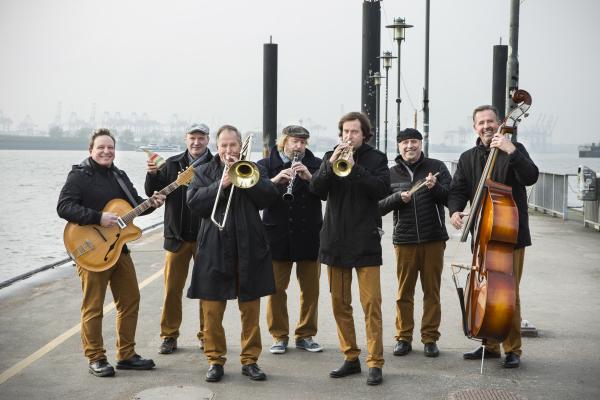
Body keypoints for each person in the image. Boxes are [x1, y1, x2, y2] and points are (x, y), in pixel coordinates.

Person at [57, 128, 165, 377]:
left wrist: (153, 202)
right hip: (92, 251)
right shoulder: (79, 176)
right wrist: (98, 217)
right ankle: (96, 357)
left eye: (110, 148)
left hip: (118, 249)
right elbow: (64, 207)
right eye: (101, 147)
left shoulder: (119, 175)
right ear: (91, 150)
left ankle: (126, 355)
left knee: (130, 300)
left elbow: (135, 206)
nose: (106, 151)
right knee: (93, 306)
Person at [448, 105, 539, 369]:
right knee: (484, 290)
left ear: (500, 123)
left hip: (510, 234)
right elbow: (458, 188)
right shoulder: (467, 158)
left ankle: (513, 349)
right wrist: (455, 210)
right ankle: (489, 343)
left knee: (508, 293)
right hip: (484, 233)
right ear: (474, 127)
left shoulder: (515, 149)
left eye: (490, 121)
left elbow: (530, 176)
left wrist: (511, 150)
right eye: (481, 123)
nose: (486, 126)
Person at [186, 125, 279, 382]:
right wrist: (223, 183)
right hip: (215, 249)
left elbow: (270, 197)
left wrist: (246, 180)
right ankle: (215, 360)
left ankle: (250, 361)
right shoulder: (203, 171)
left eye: (233, 145)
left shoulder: (253, 169)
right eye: (224, 145)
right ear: (217, 147)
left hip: (249, 248)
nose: (229, 150)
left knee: (250, 310)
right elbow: (194, 203)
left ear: (240, 146)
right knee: (212, 311)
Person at [310, 112, 390, 386]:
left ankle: (375, 362)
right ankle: (351, 356)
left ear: (364, 134)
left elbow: (380, 189)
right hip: (334, 240)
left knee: (371, 305)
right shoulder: (331, 156)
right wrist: (330, 165)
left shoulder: (377, 159)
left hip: (365, 240)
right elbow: (317, 190)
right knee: (340, 304)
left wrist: (354, 167)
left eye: (354, 132)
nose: (348, 137)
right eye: (345, 131)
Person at [378, 128, 452, 359]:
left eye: (414, 142)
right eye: (405, 143)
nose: (410, 146)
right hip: (405, 240)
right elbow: (378, 206)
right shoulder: (390, 173)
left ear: (421, 144)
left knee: (432, 292)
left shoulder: (437, 167)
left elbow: (451, 197)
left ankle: (430, 338)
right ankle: (403, 338)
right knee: (404, 292)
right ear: (398, 147)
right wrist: (397, 199)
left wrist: (434, 187)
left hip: (434, 238)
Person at [144, 123, 213, 354]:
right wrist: (152, 173)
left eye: (201, 138)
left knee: (207, 290)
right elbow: (152, 192)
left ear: (208, 139)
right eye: (192, 137)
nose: (196, 142)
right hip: (176, 237)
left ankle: (207, 335)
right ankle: (169, 336)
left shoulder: (216, 164)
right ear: (186, 139)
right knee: (172, 290)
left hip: (206, 236)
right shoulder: (172, 164)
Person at [257, 125, 324, 354]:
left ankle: (306, 335)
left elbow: (326, 193)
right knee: (275, 289)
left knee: (311, 290)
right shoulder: (265, 165)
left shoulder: (316, 164)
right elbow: (258, 197)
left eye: (303, 142)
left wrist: (310, 177)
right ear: (283, 142)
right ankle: (279, 335)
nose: (299, 146)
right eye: (295, 141)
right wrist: (275, 181)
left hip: (309, 235)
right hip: (277, 235)